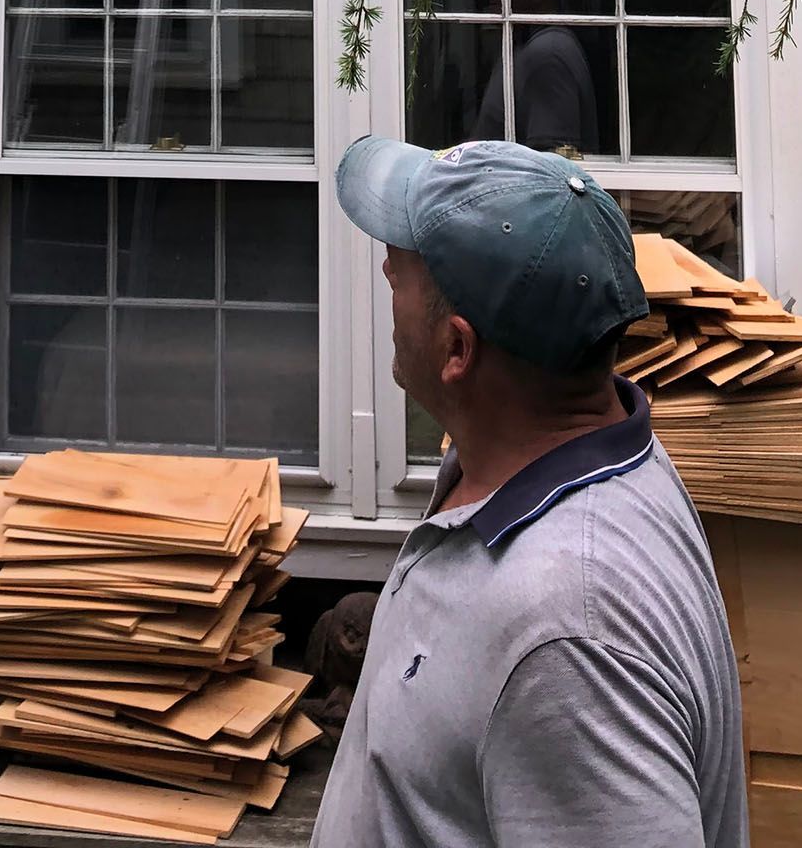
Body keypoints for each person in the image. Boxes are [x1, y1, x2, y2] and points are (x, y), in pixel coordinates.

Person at [311, 137, 747, 848]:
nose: (387, 265)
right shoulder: (535, 462)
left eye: (406, 269)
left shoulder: (570, 639)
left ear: (458, 350)